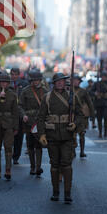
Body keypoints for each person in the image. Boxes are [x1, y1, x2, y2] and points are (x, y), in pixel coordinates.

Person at [37, 72, 80, 204]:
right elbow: (40, 117)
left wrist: (75, 124)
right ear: (54, 83)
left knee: (67, 164)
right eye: (58, 81)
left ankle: (67, 193)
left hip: (67, 135)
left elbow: (80, 114)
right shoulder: (47, 97)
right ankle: (55, 192)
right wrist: (42, 134)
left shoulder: (72, 96)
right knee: (54, 165)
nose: (61, 83)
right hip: (52, 135)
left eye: (63, 81)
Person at [0, 72, 19, 180]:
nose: (4, 84)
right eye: (2, 82)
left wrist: (16, 127)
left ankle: (8, 169)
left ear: (8, 83)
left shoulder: (13, 95)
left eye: (6, 82)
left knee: (8, 147)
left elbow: (15, 112)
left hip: (8, 123)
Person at [19, 70, 49, 176]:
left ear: (40, 80)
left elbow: (48, 106)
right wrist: (24, 115)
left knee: (39, 144)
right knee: (30, 144)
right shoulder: (25, 91)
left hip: (40, 121)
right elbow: (20, 105)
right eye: (34, 80)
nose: (36, 82)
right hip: (29, 122)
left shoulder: (45, 91)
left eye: (38, 80)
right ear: (31, 80)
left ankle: (38, 167)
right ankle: (32, 167)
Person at [73, 74, 95, 157]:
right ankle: (73, 151)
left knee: (81, 133)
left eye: (77, 80)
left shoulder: (83, 91)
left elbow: (89, 103)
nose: (75, 82)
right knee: (72, 135)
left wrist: (92, 116)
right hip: (71, 115)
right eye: (74, 80)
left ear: (79, 82)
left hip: (81, 115)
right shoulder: (68, 91)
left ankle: (82, 151)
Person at [10, 67, 28, 165]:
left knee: (19, 136)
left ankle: (16, 156)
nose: (14, 76)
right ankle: (9, 153)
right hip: (9, 114)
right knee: (9, 135)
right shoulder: (7, 84)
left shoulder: (24, 84)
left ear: (19, 74)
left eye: (16, 74)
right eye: (12, 74)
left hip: (20, 113)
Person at [92, 71, 107, 138]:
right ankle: (100, 132)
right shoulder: (97, 84)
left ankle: (105, 132)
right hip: (98, 103)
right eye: (102, 76)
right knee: (99, 118)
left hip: (106, 103)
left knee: (106, 117)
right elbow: (90, 91)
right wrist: (95, 93)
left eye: (105, 76)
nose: (103, 78)